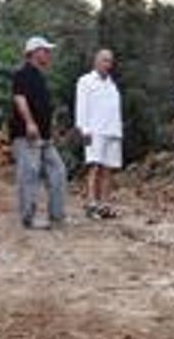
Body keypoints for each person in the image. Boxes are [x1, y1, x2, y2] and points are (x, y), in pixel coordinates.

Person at [10, 36, 67, 229]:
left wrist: (51, 131)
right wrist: (30, 123)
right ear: (34, 52)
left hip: (44, 137)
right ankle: (28, 218)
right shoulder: (22, 73)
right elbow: (20, 99)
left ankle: (57, 216)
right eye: (45, 50)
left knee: (58, 171)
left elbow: (44, 106)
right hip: (27, 135)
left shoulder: (40, 76)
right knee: (29, 174)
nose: (49, 54)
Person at [75, 49, 123, 219]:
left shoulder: (112, 84)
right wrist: (83, 128)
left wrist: (118, 131)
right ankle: (92, 204)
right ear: (96, 61)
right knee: (94, 167)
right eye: (104, 60)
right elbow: (81, 105)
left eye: (110, 61)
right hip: (95, 131)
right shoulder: (86, 81)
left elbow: (114, 109)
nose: (107, 64)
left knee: (108, 170)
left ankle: (105, 205)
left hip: (112, 131)